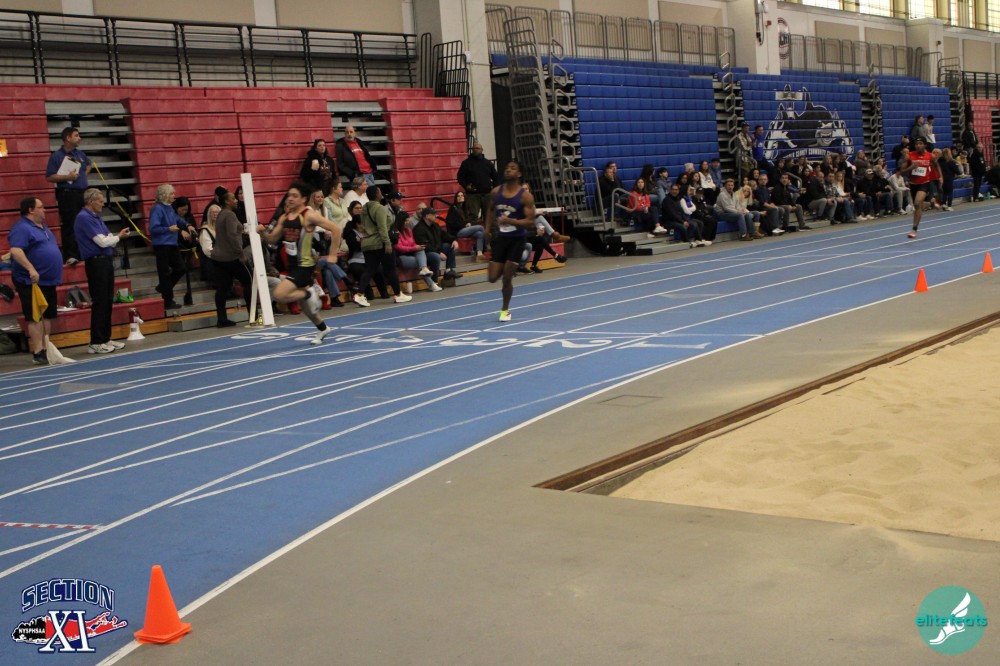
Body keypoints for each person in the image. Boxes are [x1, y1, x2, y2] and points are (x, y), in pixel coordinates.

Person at [263, 182, 342, 343]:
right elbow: (272, 239)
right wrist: (262, 232)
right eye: (289, 195)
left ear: (304, 199)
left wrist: (333, 255)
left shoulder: (308, 215)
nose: (290, 199)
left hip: (304, 266)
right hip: (292, 266)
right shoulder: (285, 217)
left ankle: (309, 293)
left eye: (295, 196)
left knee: (279, 294)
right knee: (306, 307)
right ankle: (322, 328)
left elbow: (336, 229)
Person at [74, 188, 130, 353]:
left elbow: (109, 239)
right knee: (100, 301)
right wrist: (118, 237)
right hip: (96, 263)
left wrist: (115, 237)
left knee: (107, 301)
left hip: (105, 261)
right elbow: (103, 242)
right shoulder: (84, 217)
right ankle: (96, 341)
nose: (103, 204)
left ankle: (105, 338)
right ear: (90, 201)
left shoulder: (96, 217)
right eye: (99, 201)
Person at [9, 197, 62, 365]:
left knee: (47, 314)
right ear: (31, 210)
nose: (45, 210)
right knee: (35, 316)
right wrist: (31, 268)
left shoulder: (43, 227)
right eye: (41, 207)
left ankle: (46, 347)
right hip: (30, 280)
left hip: (48, 279)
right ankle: (38, 351)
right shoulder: (22, 228)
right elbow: (16, 251)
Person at [485, 160, 537, 321]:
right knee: (492, 278)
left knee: (507, 278)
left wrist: (511, 221)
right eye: (507, 168)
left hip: (517, 240)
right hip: (501, 239)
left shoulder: (525, 196)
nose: (508, 170)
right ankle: (505, 266)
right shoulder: (496, 192)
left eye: (513, 168)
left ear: (519, 174)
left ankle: (504, 310)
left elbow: (531, 222)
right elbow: (490, 210)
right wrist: (487, 229)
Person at [352, 186, 412, 307]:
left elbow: (363, 227)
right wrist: (387, 243)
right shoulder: (379, 208)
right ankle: (398, 294)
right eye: (379, 191)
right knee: (391, 269)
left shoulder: (364, 208)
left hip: (367, 243)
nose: (381, 193)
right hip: (380, 243)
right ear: (376, 194)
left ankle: (359, 294)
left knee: (370, 269)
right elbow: (382, 228)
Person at [45, 127, 92, 264]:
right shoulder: (57, 156)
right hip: (67, 194)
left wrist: (82, 175)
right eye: (76, 135)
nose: (79, 138)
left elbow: (88, 165)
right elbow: (49, 177)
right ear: (68, 138)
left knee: (85, 223)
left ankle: (84, 252)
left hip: (82, 193)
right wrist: (67, 177)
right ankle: (71, 255)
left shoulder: (80, 154)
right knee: (70, 224)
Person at [212, 192, 254, 327]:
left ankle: (221, 319)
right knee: (249, 282)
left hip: (218, 257)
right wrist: (240, 253)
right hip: (232, 256)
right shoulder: (230, 215)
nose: (236, 200)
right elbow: (231, 235)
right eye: (233, 199)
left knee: (222, 288)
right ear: (226, 202)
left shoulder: (221, 214)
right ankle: (254, 317)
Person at [148, 184, 192, 310]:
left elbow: (177, 219)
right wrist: (168, 229)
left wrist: (187, 224)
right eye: (172, 193)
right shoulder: (157, 208)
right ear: (165, 195)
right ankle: (168, 300)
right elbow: (153, 228)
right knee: (165, 273)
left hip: (171, 243)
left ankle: (163, 287)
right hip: (162, 244)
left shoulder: (169, 207)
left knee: (181, 268)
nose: (174, 195)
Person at [898, 137, 941, 239]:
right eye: (917, 144)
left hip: (925, 183)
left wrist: (940, 177)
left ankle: (914, 229)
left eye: (921, 143)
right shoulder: (909, 156)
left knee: (917, 203)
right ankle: (931, 204)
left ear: (925, 145)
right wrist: (911, 167)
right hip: (913, 184)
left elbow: (937, 166)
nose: (918, 145)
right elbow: (902, 172)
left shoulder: (930, 156)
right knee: (918, 206)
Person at [394, 212, 440, 292]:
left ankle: (425, 269)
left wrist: (417, 247)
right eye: (406, 221)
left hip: (412, 253)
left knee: (421, 250)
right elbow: (399, 248)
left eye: (408, 220)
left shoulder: (409, 230)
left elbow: (413, 243)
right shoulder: (396, 232)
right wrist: (414, 248)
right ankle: (431, 283)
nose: (408, 222)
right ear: (401, 221)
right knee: (419, 262)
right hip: (401, 256)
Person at [414, 206, 462, 283]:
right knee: (435, 256)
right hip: (425, 253)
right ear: (427, 216)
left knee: (449, 246)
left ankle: (448, 271)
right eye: (433, 214)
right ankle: (434, 281)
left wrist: (453, 240)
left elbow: (444, 235)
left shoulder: (435, 225)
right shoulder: (419, 229)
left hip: (436, 249)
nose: (436, 216)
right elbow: (425, 246)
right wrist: (439, 253)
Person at [456, 142, 499, 221]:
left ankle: (490, 229)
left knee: (490, 217)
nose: (475, 150)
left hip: (487, 194)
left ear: (482, 150)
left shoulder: (488, 163)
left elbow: (496, 177)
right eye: (474, 148)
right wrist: (466, 186)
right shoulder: (466, 163)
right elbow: (460, 177)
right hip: (472, 195)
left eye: (477, 148)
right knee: (472, 217)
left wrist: (494, 188)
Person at [444, 191, 487, 261]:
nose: (460, 197)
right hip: (458, 231)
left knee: (479, 233)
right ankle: (486, 247)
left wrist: (469, 223)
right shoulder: (453, 209)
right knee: (481, 227)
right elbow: (452, 223)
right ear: (456, 198)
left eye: (462, 195)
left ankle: (479, 254)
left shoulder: (465, 208)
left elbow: (470, 219)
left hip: (466, 230)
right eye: (458, 196)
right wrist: (464, 225)